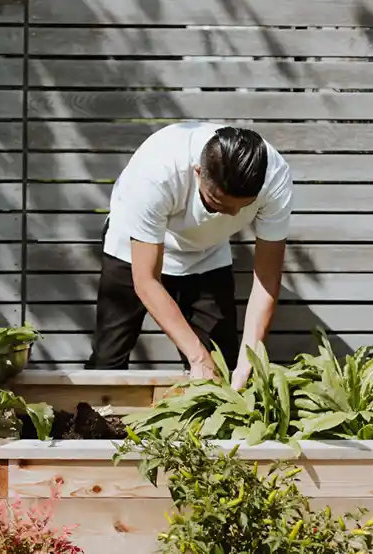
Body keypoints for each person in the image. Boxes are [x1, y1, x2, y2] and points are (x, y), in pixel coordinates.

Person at [85, 122, 293, 391]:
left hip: (207, 252)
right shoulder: (156, 172)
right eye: (217, 204)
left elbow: (267, 278)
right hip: (132, 248)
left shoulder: (274, 178)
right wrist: (197, 357)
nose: (231, 215)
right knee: (107, 362)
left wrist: (248, 360)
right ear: (197, 172)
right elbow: (146, 280)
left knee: (222, 366)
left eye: (241, 208)